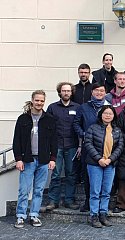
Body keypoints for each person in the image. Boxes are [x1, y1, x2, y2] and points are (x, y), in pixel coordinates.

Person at [13, 90, 57, 228]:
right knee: (24, 190)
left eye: (42, 101)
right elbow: (17, 140)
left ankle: (34, 215)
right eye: (37, 100)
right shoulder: (23, 119)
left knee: (38, 190)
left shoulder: (49, 119)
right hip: (27, 160)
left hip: (43, 160)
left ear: (44, 102)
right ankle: (20, 216)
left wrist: (53, 158)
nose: (39, 103)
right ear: (32, 100)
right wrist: (18, 159)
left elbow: (54, 141)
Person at [84, 105, 124, 228]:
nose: (108, 115)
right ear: (101, 114)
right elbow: (88, 143)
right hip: (95, 164)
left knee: (106, 191)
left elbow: (120, 146)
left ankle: (103, 214)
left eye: (110, 114)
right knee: (95, 191)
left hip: (110, 165)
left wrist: (110, 159)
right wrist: (99, 159)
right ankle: (94, 215)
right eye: (105, 113)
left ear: (114, 116)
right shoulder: (93, 128)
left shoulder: (117, 130)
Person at [73, 83, 110, 212]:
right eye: (96, 91)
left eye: (102, 91)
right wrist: (84, 134)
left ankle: (102, 204)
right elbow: (76, 124)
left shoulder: (109, 107)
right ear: (92, 92)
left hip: (105, 146)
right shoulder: (84, 107)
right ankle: (89, 201)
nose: (99, 93)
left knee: (105, 177)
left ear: (105, 92)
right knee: (88, 176)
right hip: (88, 146)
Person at [46, 82, 80, 211]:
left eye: (68, 91)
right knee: (55, 174)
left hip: (72, 145)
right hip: (56, 146)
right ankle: (53, 200)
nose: (66, 93)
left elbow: (79, 126)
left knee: (71, 174)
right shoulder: (52, 108)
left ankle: (69, 200)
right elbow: (47, 128)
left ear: (72, 92)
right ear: (59, 92)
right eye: (63, 91)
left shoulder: (77, 107)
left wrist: (80, 145)